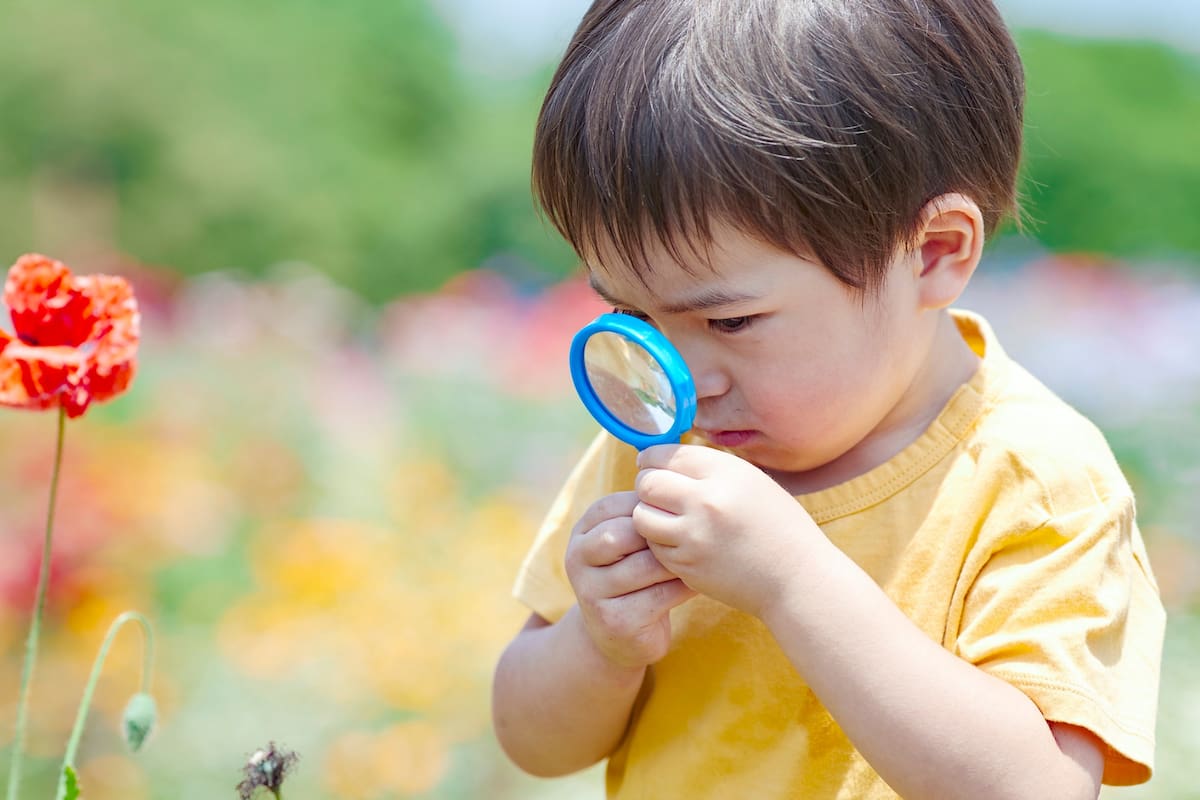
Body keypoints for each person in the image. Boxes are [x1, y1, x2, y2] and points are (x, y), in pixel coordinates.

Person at [491, 0, 1166, 797]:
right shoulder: (661, 450)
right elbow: (532, 741)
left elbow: (1037, 788)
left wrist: (791, 581)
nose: (684, 378)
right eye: (633, 316)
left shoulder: (1032, 479)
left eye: (731, 319)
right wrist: (598, 644)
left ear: (934, 253)